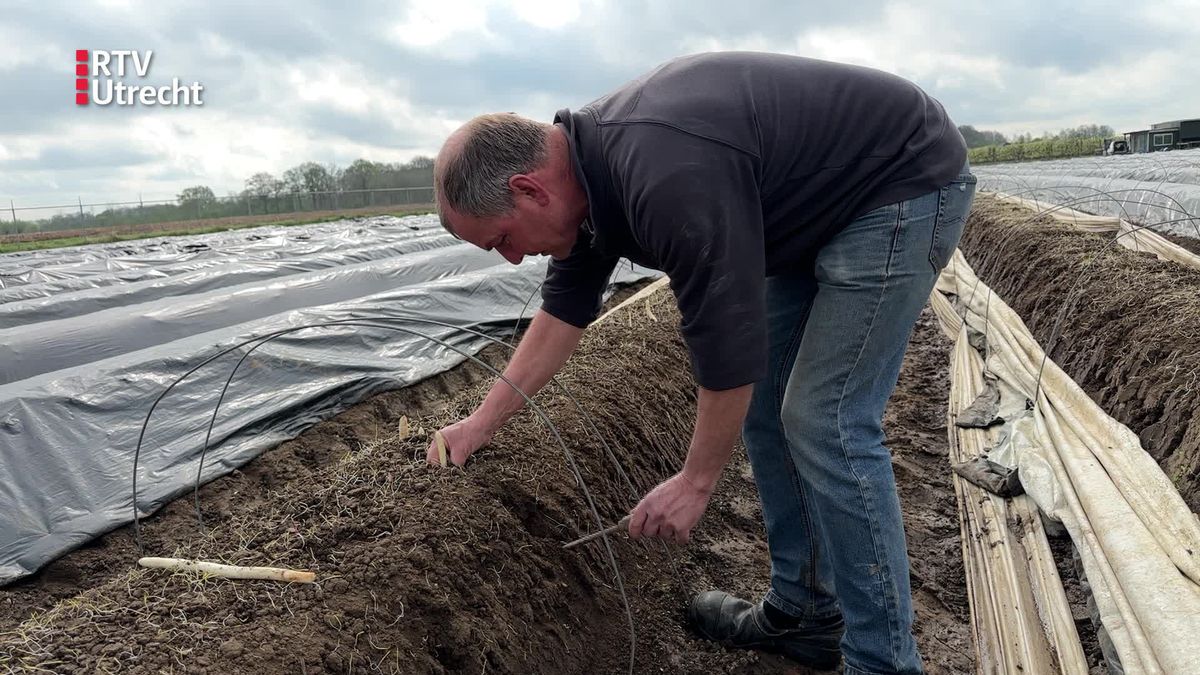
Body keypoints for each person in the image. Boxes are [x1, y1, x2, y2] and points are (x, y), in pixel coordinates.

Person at [428, 51, 975, 675]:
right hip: (812, 212)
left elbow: (727, 339)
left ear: (528, 189)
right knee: (768, 409)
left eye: (500, 239)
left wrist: (695, 483)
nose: (511, 261)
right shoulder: (586, 184)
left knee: (827, 420)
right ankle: (806, 615)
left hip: (896, 186)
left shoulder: (662, 174)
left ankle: (883, 661)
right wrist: (480, 423)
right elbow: (561, 316)